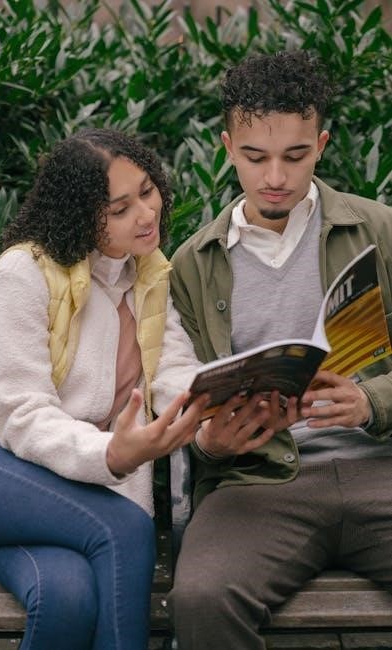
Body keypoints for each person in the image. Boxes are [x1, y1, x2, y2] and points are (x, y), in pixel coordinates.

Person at [0, 127, 216, 650]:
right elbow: (21, 417)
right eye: (120, 209)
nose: (145, 213)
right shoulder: (23, 273)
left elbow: (172, 373)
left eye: (147, 191)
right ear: (81, 215)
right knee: (126, 528)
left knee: (67, 594)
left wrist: (216, 403)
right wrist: (112, 453)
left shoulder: (149, 274)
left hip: (48, 492)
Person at [168, 50, 392, 649]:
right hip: (258, 484)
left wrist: (371, 401)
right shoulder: (194, 263)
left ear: (321, 145)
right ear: (226, 149)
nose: (275, 176)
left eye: (295, 156)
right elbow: (179, 387)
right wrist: (209, 442)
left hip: (380, 469)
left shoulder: (380, 231)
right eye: (255, 156)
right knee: (201, 599)